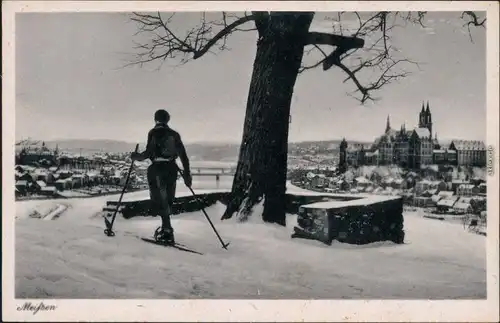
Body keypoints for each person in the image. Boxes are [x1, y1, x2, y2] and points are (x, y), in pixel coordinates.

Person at [131, 109, 192, 244]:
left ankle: (167, 230)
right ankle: (167, 229)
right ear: (167, 120)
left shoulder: (153, 133)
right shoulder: (174, 134)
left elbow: (148, 153)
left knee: (159, 199)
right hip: (171, 168)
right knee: (168, 198)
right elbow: (183, 155)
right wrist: (187, 175)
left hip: (157, 169)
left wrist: (136, 157)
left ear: (156, 119)